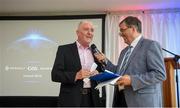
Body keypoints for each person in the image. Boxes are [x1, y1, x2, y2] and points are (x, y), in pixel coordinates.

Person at [95, 16, 166, 107]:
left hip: (141, 102)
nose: (120, 34)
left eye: (122, 30)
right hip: (120, 99)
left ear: (133, 29)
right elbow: (119, 73)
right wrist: (105, 61)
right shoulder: (124, 51)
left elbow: (159, 74)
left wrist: (132, 80)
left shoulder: (151, 45)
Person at [51, 20, 105, 107]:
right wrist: (76, 75)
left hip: (93, 100)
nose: (89, 33)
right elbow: (55, 74)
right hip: (71, 100)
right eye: (86, 29)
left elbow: (102, 73)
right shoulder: (64, 50)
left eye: (92, 30)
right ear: (78, 33)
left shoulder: (96, 52)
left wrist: (98, 74)